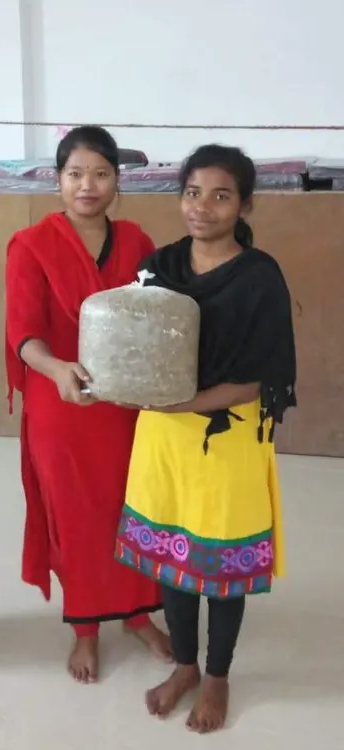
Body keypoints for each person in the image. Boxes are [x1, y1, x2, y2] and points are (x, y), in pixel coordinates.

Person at [115, 144, 297, 732]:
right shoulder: (158, 268)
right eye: (193, 193)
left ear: (245, 204)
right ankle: (186, 666)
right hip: (163, 435)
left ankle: (217, 676)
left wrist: (184, 403)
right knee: (172, 554)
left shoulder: (258, 278)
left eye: (221, 195)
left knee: (219, 562)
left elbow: (259, 378)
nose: (203, 207)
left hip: (226, 435)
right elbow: (132, 340)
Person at [5, 126, 172, 684]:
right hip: (64, 402)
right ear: (58, 180)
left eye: (101, 174)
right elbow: (23, 334)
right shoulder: (30, 245)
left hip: (126, 404)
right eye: (75, 174)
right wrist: (57, 368)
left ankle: (138, 615)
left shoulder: (137, 242)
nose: (87, 185)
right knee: (77, 516)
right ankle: (85, 628)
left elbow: (157, 315)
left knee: (135, 509)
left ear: (117, 181)